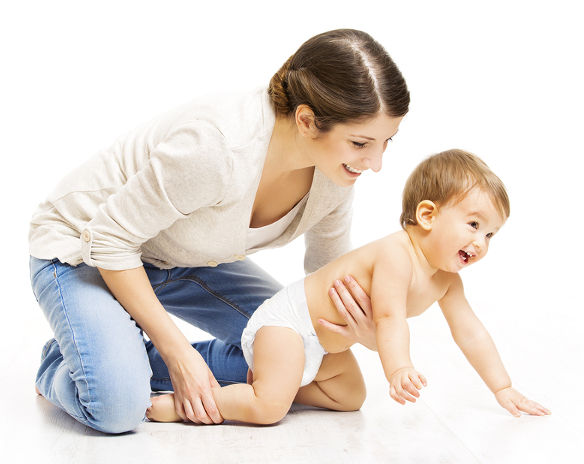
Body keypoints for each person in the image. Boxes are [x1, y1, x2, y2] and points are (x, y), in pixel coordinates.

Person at [29, 29, 409, 433]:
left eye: (387, 142)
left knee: (305, 360)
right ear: (306, 120)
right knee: (117, 407)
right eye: (360, 143)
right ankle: (66, 362)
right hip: (83, 250)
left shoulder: (335, 175)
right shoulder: (218, 148)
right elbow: (109, 238)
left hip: (182, 258)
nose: (375, 163)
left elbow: (326, 277)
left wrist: (362, 329)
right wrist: (177, 354)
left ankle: (115, 357)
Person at [146, 149, 551, 425]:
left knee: (350, 398)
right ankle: (182, 407)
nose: (480, 243)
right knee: (268, 409)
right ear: (427, 214)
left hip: (323, 346)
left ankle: (279, 385)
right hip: (287, 327)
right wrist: (399, 368)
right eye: (474, 225)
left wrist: (503, 386)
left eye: (492, 235)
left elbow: (471, 331)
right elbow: (389, 316)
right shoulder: (396, 255)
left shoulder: (447, 282)